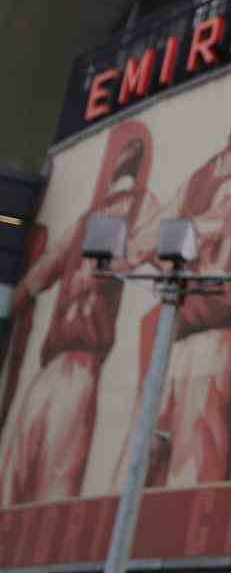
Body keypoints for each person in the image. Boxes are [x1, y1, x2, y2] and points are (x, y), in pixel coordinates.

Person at [118, 59, 231, 486]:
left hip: (213, 334)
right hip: (182, 334)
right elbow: (136, 248)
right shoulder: (218, 171)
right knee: (151, 469)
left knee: (186, 468)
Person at [0, 133, 152, 504]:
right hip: (76, 367)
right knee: (50, 497)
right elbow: (146, 248)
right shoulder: (141, 205)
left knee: (15, 494)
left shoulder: (88, 219)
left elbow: (36, 278)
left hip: (47, 372)